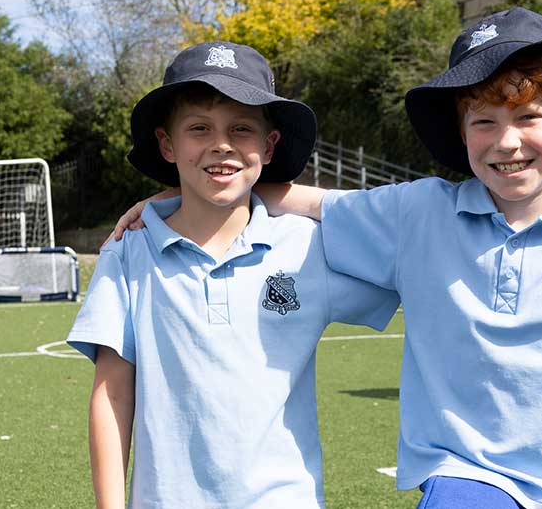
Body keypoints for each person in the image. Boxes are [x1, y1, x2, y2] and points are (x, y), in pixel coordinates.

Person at [113, 9, 542, 508]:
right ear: (461, 131)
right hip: (468, 476)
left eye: (528, 118)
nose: (506, 140)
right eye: (484, 120)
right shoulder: (417, 214)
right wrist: (183, 194)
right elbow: (302, 198)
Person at [68, 41, 400, 508]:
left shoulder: (309, 246)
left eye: (241, 129)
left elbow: (411, 251)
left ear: (269, 145)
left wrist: (286, 195)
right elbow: (112, 394)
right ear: (167, 143)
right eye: (199, 128)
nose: (220, 143)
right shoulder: (129, 251)